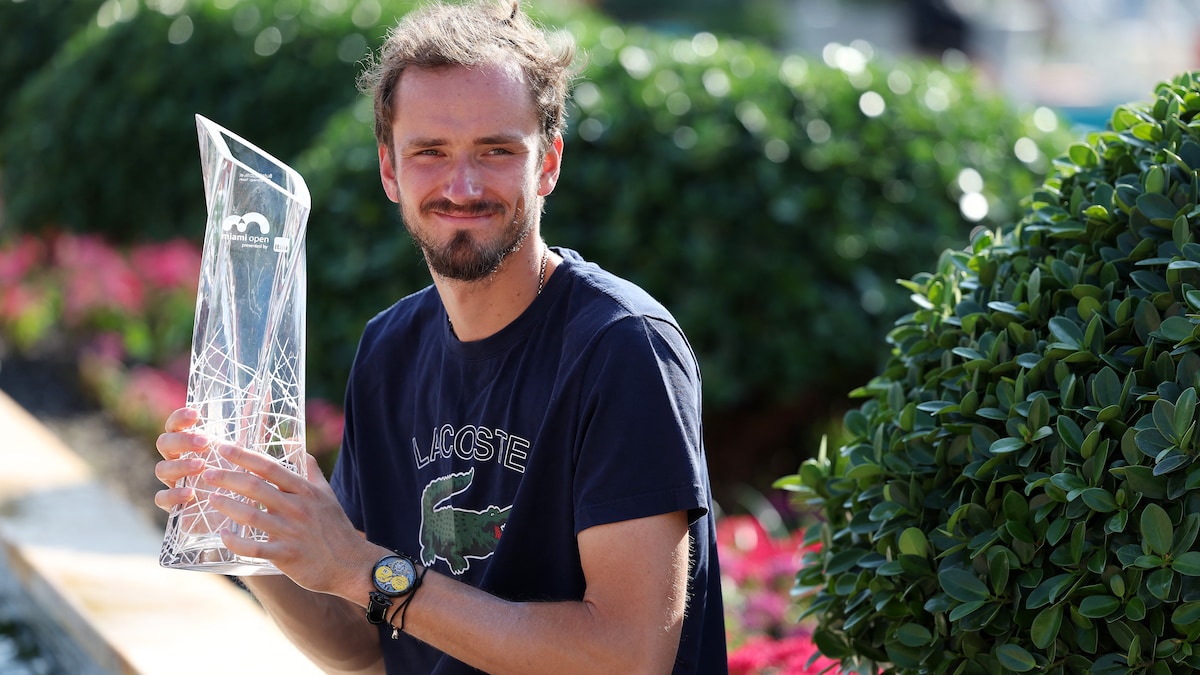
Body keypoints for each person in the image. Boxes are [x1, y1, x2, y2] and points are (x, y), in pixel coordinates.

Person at [153, 1, 727, 672]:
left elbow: (629, 655)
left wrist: (364, 567)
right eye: (430, 152)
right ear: (390, 170)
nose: (462, 184)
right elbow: (363, 642)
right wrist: (253, 534)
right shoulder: (389, 349)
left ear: (548, 164)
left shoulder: (623, 349)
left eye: (496, 150)